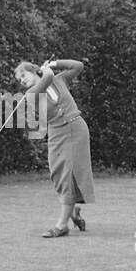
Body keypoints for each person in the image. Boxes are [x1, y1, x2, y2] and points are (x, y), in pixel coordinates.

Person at [13, 58, 95, 237]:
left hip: (76, 128)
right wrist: (47, 70)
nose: (22, 80)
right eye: (19, 80)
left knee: (69, 175)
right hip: (57, 134)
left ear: (33, 70)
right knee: (58, 174)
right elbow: (47, 77)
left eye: (23, 75)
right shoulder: (32, 94)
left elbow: (78, 66)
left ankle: (62, 225)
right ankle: (73, 211)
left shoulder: (60, 79)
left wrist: (55, 64)